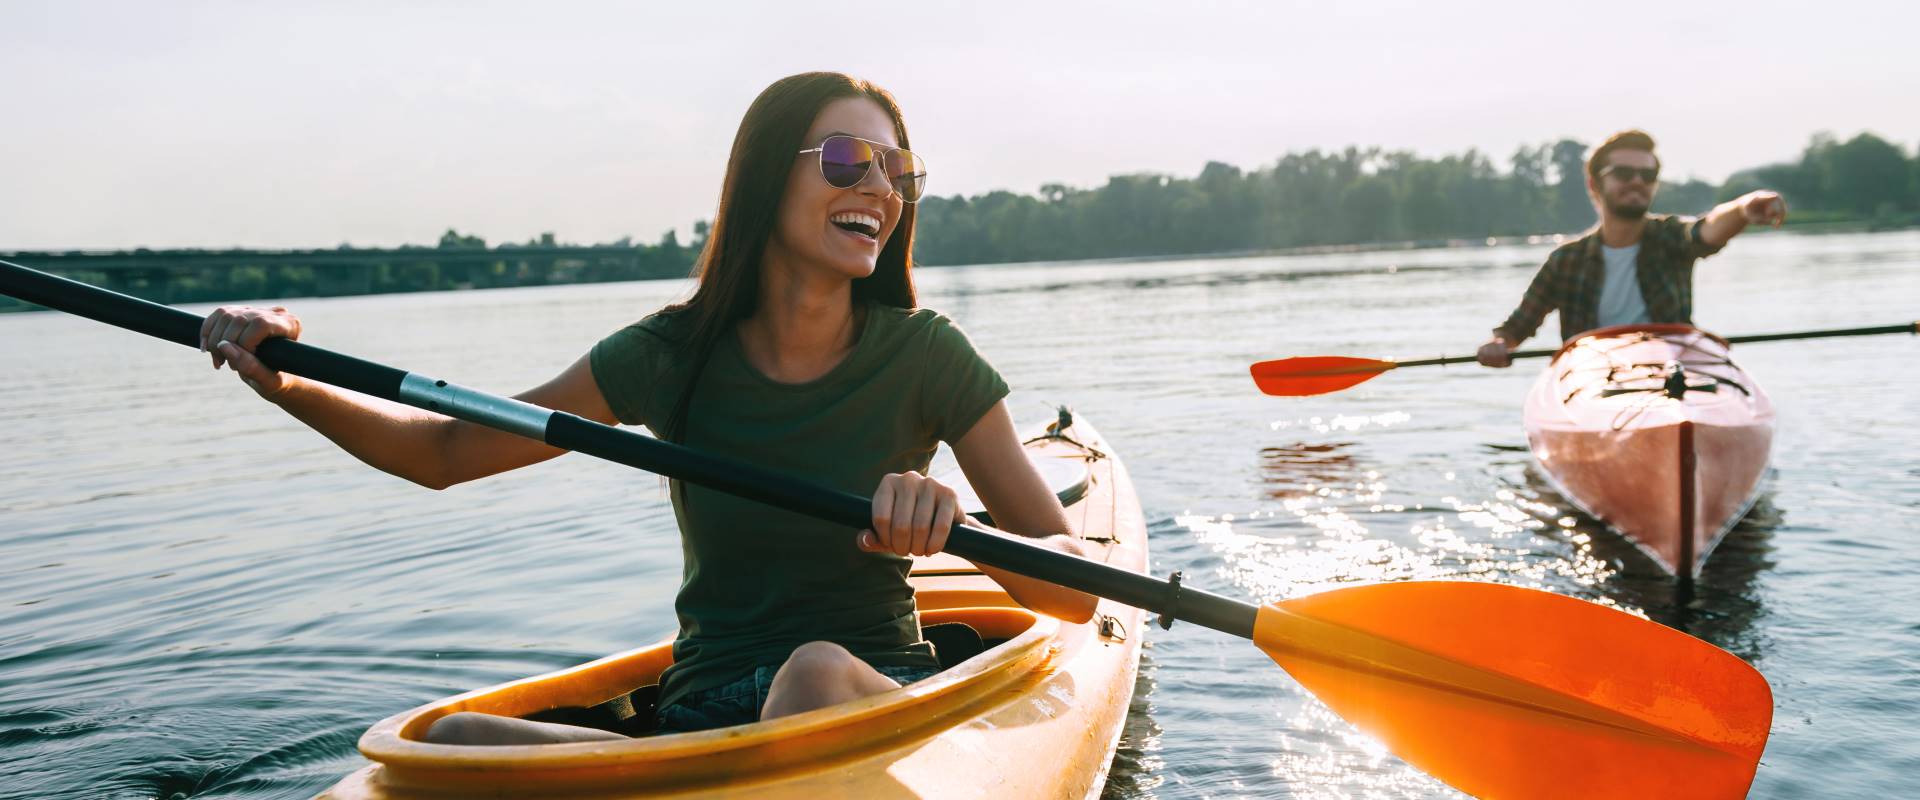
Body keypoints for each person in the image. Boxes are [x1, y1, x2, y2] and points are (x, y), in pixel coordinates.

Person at [195, 72, 1097, 744]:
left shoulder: (927, 355)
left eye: (899, 170)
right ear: (762, 178)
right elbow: (443, 451)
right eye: (848, 159)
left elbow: (1070, 588)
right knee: (447, 738)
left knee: (812, 673)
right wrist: (287, 378)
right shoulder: (670, 355)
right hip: (699, 717)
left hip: (863, 694)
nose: (881, 189)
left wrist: (951, 528)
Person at [1476, 129, 1788, 366]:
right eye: (1624, 174)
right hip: (1594, 376)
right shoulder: (1565, 260)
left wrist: (1745, 209)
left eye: (1648, 175)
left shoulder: (1670, 237)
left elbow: (1708, 230)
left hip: (1671, 370)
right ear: (1594, 185)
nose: (1637, 181)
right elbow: (1517, 328)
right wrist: (1499, 344)